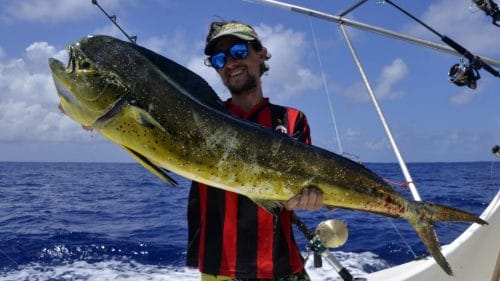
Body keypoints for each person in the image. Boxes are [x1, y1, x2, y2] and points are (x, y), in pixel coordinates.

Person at [187, 20, 324, 281]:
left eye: (238, 52)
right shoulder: (200, 118)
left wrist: (307, 198)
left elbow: (298, 188)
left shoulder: (293, 119)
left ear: (261, 54)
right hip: (220, 271)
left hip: (282, 267)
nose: (230, 63)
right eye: (219, 59)